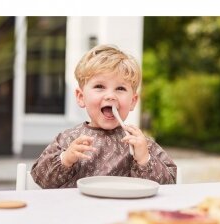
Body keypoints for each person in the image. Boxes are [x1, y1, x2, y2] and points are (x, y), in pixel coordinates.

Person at [31, 44, 177, 188]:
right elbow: (41, 179)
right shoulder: (67, 140)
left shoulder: (140, 143)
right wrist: (66, 159)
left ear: (133, 101)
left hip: (123, 211)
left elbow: (170, 184)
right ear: (81, 97)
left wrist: (145, 159)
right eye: (99, 87)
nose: (111, 96)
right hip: (77, 210)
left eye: (120, 88)